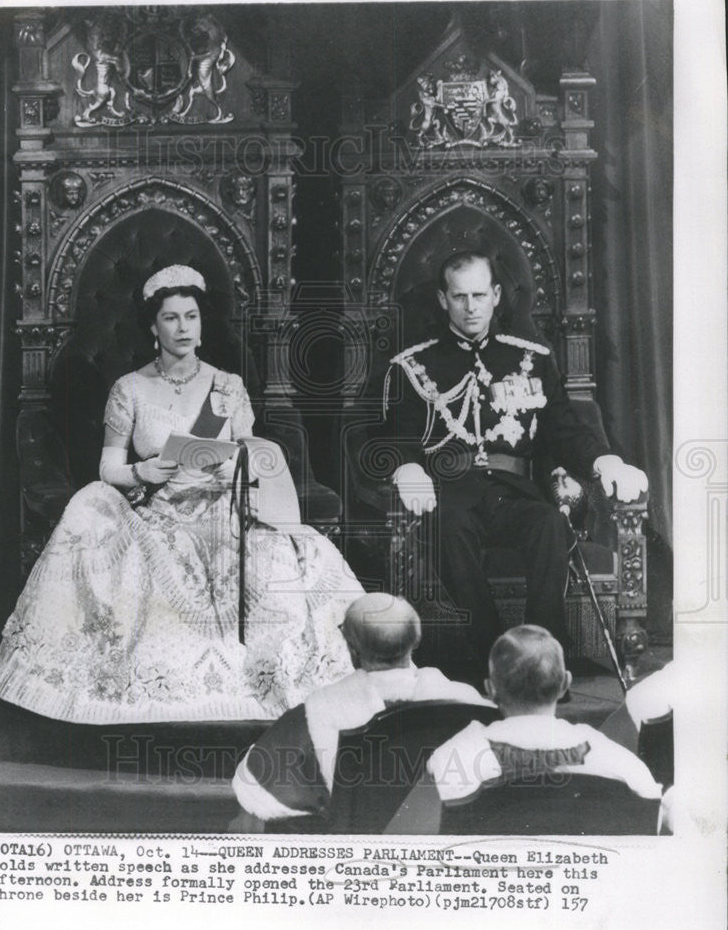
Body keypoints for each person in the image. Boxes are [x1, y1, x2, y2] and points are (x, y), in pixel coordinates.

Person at [0, 264, 364, 723]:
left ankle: (278, 677)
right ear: (153, 326)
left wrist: (232, 466)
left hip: (225, 509)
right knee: (89, 507)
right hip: (159, 514)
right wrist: (142, 469)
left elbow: (251, 453)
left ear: (202, 325)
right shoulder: (130, 389)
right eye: (171, 318)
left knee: (295, 556)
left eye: (191, 316)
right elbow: (107, 467)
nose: (183, 327)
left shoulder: (228, 386)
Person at [385, 249, 648, 673]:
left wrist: (605, 462)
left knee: (548, 522)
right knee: (448, 525)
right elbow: (397, 435)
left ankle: (542, 657)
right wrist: (407, 466)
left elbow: (564, 429)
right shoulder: (414, 366)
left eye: (478, 295)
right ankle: (494, 656)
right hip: (450, 493)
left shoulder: (532, 359)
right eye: (459, 297)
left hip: (514, 492)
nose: (470, 307)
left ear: (495, 295)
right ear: (442, 299)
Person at [230, 592, 494, 827]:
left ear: (352, 648)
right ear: (416, 640)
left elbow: (254, 786)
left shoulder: (319, 709)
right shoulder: (467, 701)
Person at [386, 625, 662, 834]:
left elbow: (404, 843)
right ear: (565, 684)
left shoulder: (450, 759)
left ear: (490, 690)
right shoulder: (618, 762)